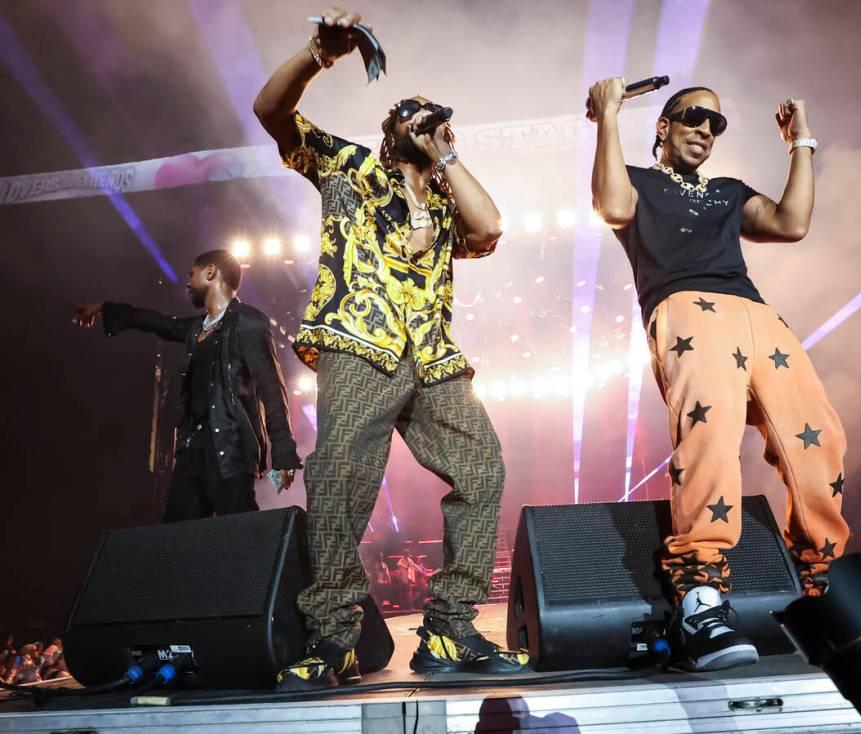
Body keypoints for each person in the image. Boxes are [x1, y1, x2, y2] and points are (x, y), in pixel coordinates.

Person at [253, 7, 528, 689]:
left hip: (432, 357)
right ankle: (335, 635)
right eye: (417, 117)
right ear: (389, 133)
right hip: (361, 342)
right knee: (340, 482)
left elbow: (491, 227)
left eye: (438, 120)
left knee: (482, 468)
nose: (430, 125)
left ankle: (451, 628)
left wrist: (449, 157)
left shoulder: (443, 204)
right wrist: (318, 54)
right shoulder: (349, 171)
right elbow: (271, 113)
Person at [589, 79, 848, 671]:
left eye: (716, 123)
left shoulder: (729, 192)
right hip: (685, 308)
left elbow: (790, 224)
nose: (705, 128)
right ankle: (701, 600)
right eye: (692, 116)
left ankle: (821, 585)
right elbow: (610, 206)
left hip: (757, 315)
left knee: (820, 440)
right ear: (664, 126)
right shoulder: (640, 182)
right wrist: (607, 116)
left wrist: (800, 142)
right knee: (710, 440)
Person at [72, 249, 302, 521]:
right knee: (176, 536)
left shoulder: (249, 322)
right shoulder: (196, 328)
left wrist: (284, 454)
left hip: (232, 448)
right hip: (192, 448)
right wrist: (105, 309)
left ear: (211, 272)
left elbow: (272, 390)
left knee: (237, 534)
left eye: (191, 275)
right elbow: (159, 324)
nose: (187, 283)